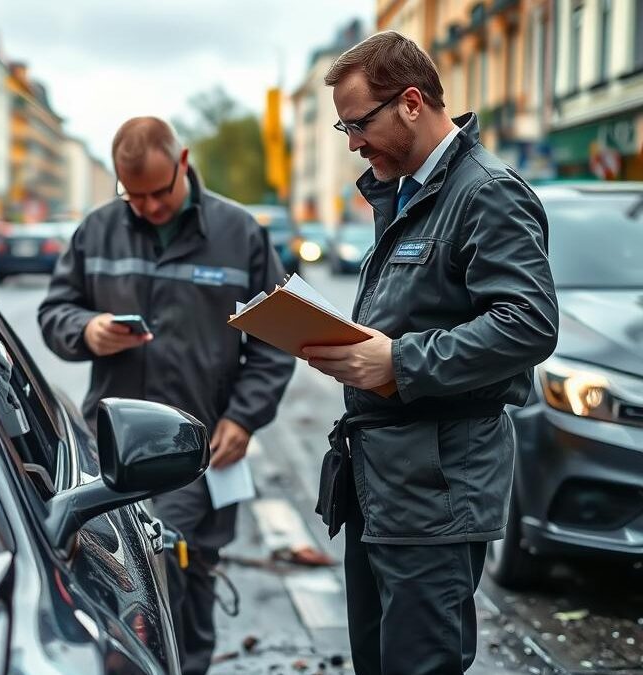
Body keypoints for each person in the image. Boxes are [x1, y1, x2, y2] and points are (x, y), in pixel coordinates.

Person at [304, 32, 559, 674]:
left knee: (419, 664)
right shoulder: (409, 192)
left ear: (412, 103)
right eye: (343, 127)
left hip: (435, 490)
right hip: (384, 480)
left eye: (358, 124)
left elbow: (528, 324)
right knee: (378, 660)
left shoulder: (485, 191)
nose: (353, 142)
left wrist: (398, 362)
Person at [38, 117, 295, 674]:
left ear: (183, 163)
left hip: (194, 449)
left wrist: (243, 419)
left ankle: (184, 662)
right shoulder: (97, 230)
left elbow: (277, 342)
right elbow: (55, 312)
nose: (149, 206)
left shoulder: (239, 233)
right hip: (112, 451)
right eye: (134, 196)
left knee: (185, 568)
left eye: (159, 192)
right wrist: (87, 330)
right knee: (130, 577)